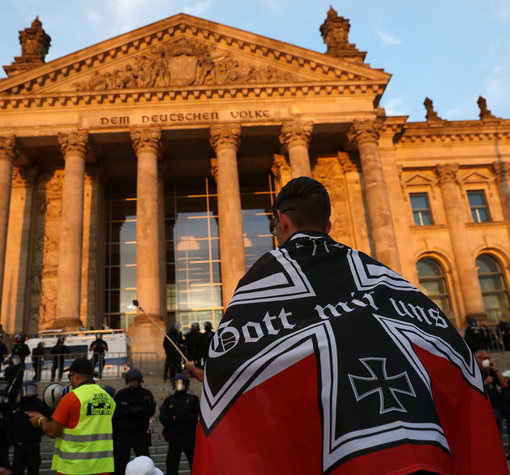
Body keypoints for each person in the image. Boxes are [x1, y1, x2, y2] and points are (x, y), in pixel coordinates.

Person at [194, 176, 508, 473]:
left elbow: (229, 376)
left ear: (283, 221)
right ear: (328, 225)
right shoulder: (383, 276)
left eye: (274, 227)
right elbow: (455, 354)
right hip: (422, 452)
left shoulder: (262, 282)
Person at [27, 357, 116, 475]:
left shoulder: (71, 398)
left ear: (77, 376)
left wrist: (41, 420)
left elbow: (53, 431)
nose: (69, 380)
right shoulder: (108, 399)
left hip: (73, 468)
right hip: (101, 468)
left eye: (70, 376)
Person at [112, 368, 156, 475]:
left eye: (135, 380)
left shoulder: (146, 394)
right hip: (123, 434)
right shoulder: (121, 394)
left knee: (144, 462)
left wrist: (137, 411)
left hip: (140, 433)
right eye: (131, 381)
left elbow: (150, 411)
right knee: (120, 463)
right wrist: (130, 412)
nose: (133, 383)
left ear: (139, 381)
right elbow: (115, 413)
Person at [8, 381, 53, 475]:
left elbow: (47, 419)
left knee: (33, 469)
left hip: (32, 443)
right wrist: (15, 439)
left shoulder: (39, 405)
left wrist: (36, 435)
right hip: (19, 444)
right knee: (17, 469)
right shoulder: (17, 406)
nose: (28, 392)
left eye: (30, 389)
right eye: (25, 390)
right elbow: (10, 424)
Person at [159, 373, 198, 475]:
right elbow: (162, 418)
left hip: (189, 436)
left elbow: (198, 417)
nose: (180, 385)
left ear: (187, 384)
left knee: (194, 463)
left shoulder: (193, 399)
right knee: (172, 464)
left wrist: (187, 416)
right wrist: (174, 418)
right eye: (178, 383)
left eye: (182, 383)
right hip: (174, 437)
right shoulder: (169, 400)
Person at [475, 349, 508, 436]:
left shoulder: (491, 371)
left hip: (497, 408)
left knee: (499, 435)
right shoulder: (474, 373)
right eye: (483, 358)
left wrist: (495, 369)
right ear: (477, 359)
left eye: (488, 358)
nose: (486, 360)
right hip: (484, 409)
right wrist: (485, 383)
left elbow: (504, 384)